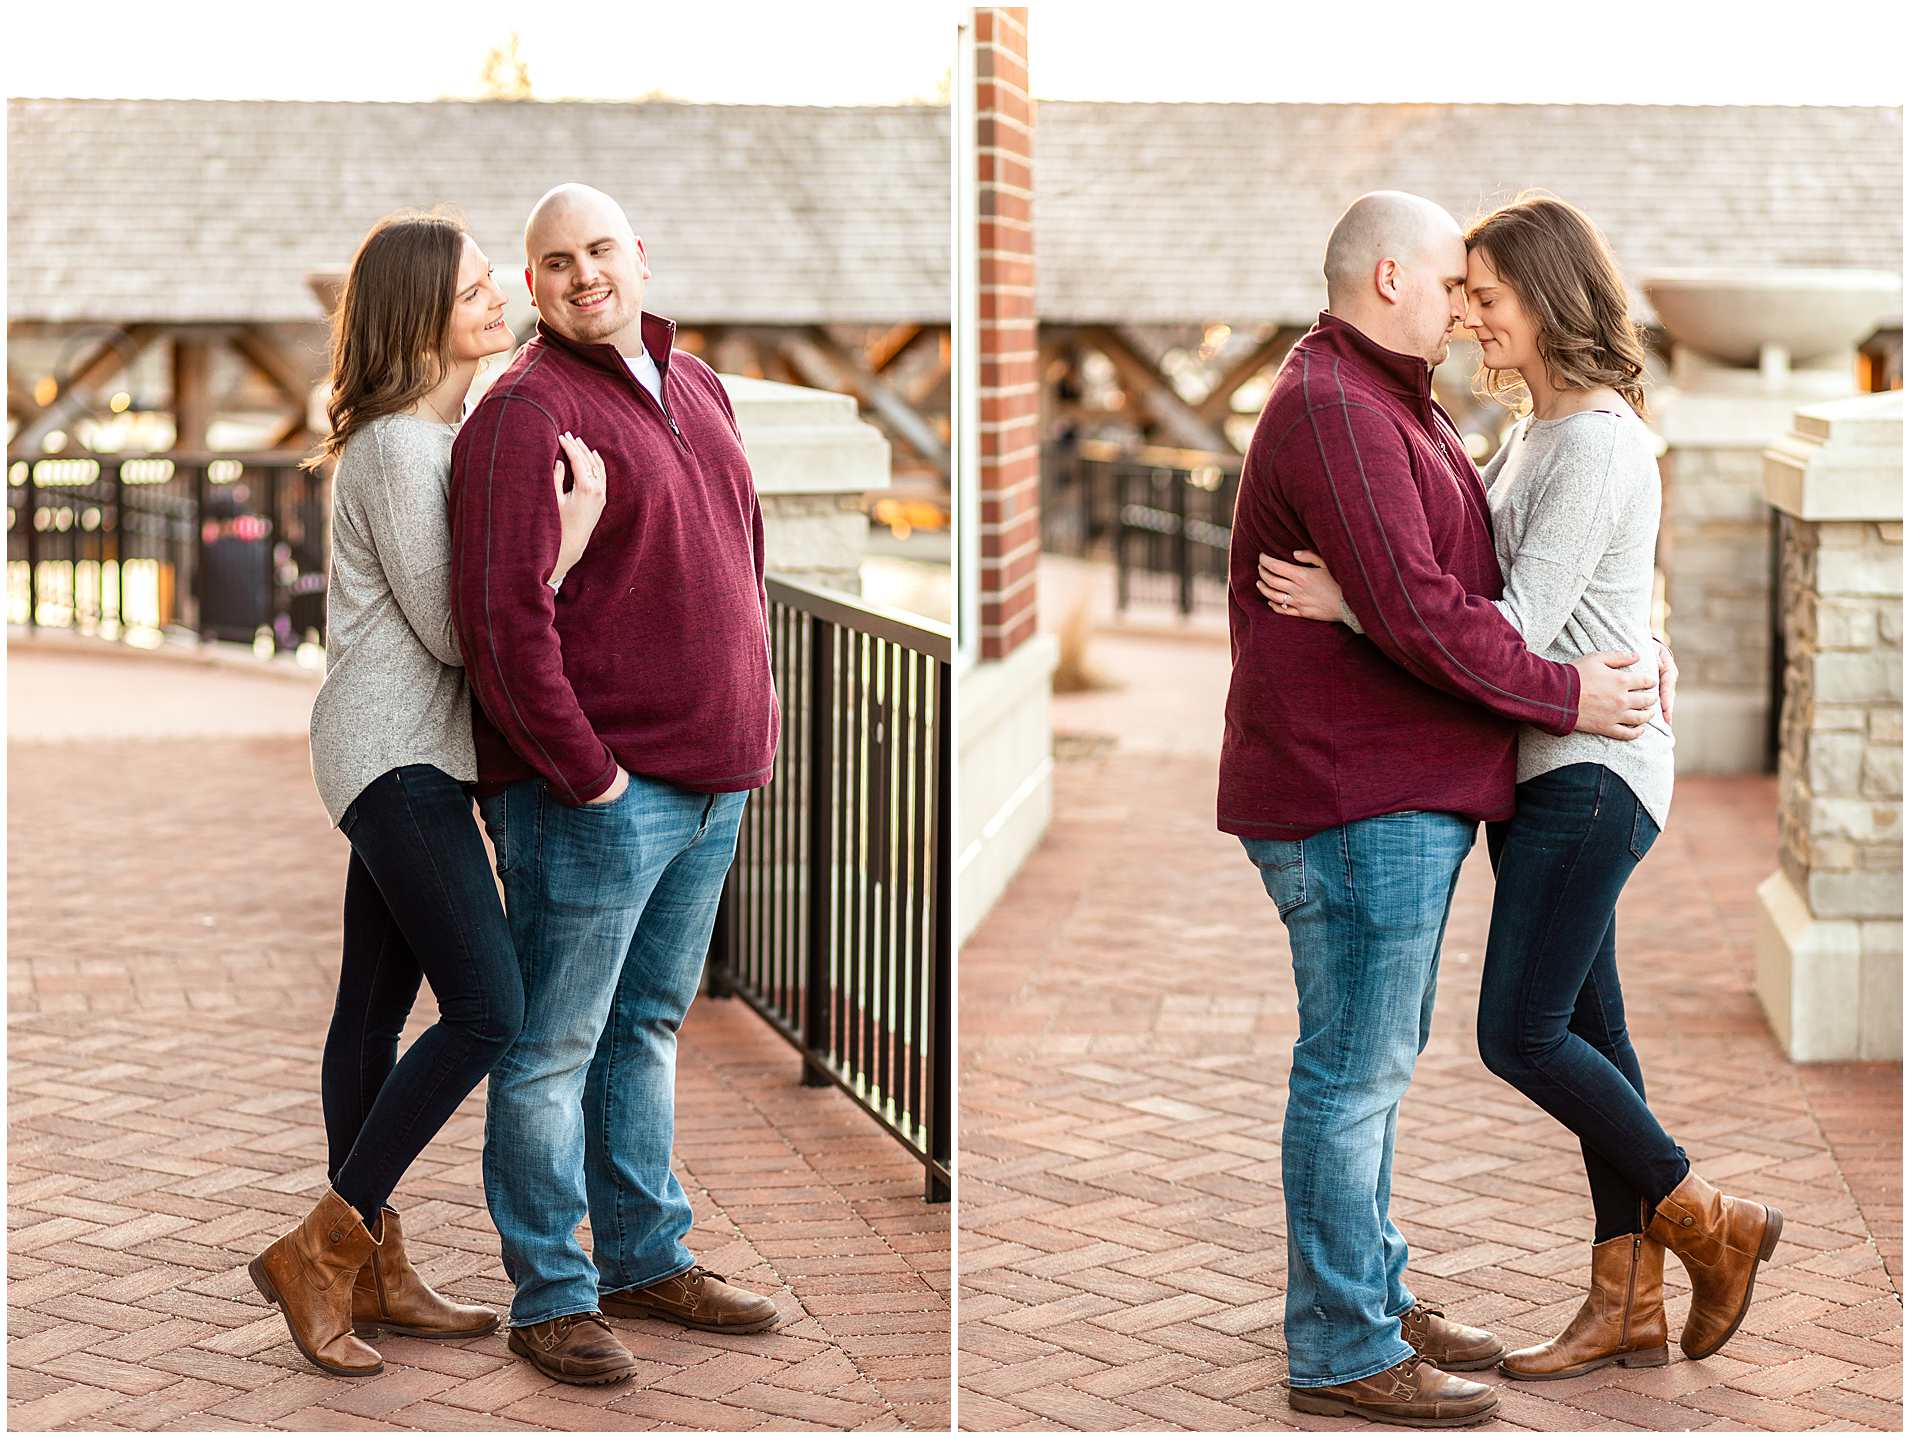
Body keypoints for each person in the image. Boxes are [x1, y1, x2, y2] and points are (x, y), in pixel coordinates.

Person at [1257, 193, 1781, 1387]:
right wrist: (1634, 635)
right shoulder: (1533, 433)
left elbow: (1519, 621)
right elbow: (1526, 586)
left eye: (1485, 297)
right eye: (1460, 292)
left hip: (1590, 770)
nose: (1468, 317)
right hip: (1544, 765)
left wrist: (1353, 605)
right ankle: (1625, 1299)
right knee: (1591, 1032)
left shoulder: (1592, 440)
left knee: (1519, 1032)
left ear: (1545, 299)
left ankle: (1711, 1218)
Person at [250, 210, 607, 1378]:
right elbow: (460, 633)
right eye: (472, 291)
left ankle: (371, 1268)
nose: (498, 299)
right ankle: (321, 1250)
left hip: (403, 753)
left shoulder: (427, 438)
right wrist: (566, 542)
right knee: (490, 1007)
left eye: (490, 281)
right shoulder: (404, 449)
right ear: (419, 316)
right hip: (395, 755)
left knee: (371, 1005)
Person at [449, 183, 783, 1387]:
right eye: (556, 260)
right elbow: (501, 623)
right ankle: (550, 1293)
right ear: (531, 285)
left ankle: (644, 1256)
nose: (583, 273)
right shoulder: (521, 414)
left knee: (642, 1027)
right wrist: (585, 772)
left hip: (713, 783)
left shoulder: (697, 385)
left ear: (639, 257)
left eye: (600, 249)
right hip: (596, 798)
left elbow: (740, 557)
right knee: (552, 1046)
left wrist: (756, 719)